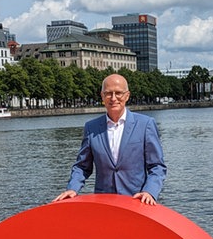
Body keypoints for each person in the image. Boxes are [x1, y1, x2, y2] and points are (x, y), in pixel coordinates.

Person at [53, 73, 166, 205]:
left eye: (118, 93)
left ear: (127, 96)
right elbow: (82, 167)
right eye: (108, 93)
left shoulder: (145, 124)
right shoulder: (91, 127)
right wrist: (72, 188)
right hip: (105, 204)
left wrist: (149, 191)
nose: (113, 98)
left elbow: (157, 166)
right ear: (102, 96)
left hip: (137, 202)